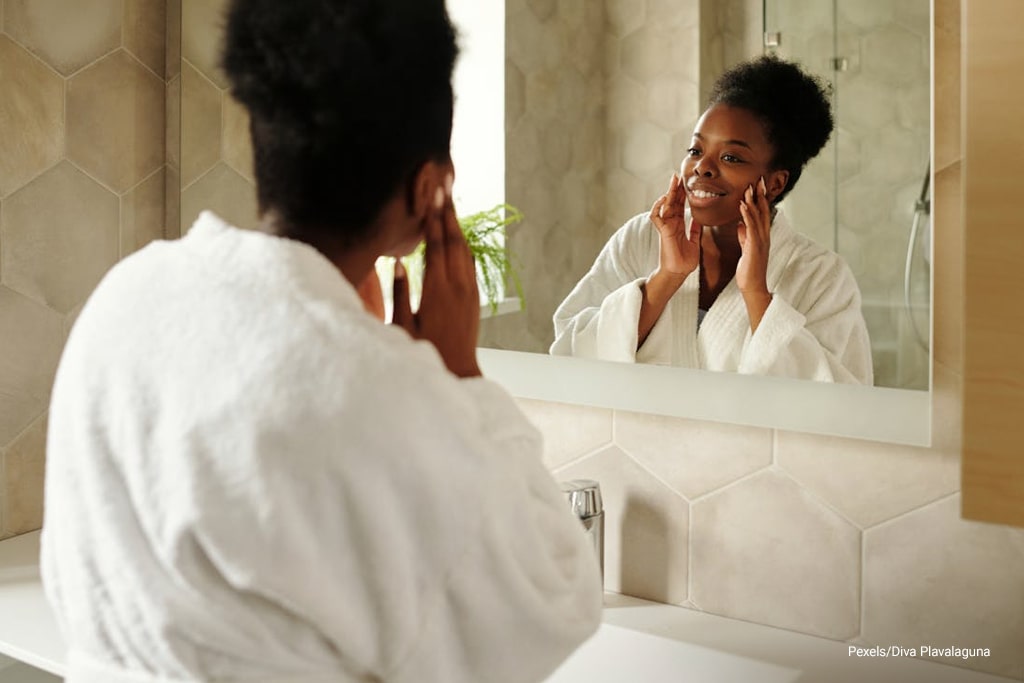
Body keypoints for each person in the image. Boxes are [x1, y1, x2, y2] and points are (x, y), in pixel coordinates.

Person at [40, 1, 603, 681]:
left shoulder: (127, 296)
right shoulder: (377, 394)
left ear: (263, 137)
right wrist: (460, 376)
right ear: (431, 187)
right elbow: (554, 601)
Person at [550, 55, 873, 384]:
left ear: (775, 183)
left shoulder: (821, 276)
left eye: (731, 157)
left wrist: (756, 293)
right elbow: (570, 350)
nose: (702, 166)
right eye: (695, 150)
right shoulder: (642, 237)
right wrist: (666, 278)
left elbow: (840, 397)